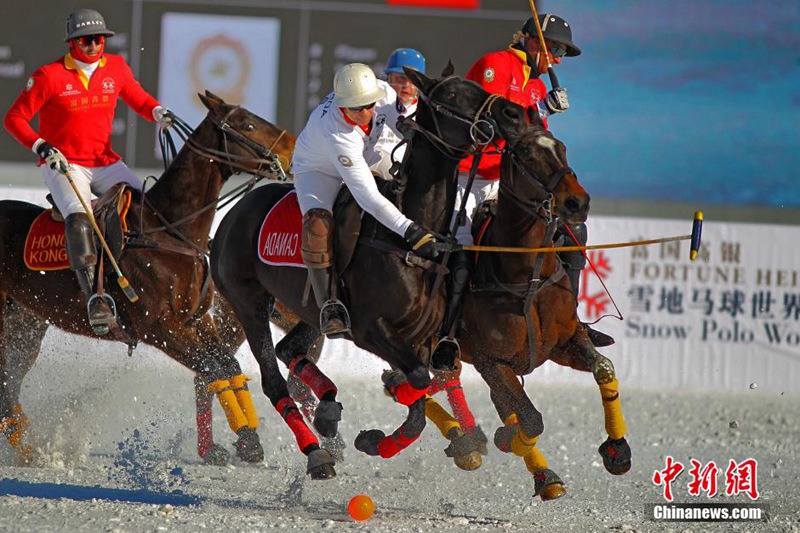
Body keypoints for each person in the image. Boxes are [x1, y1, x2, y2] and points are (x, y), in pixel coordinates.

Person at [430, 13, 612, 371]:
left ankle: (572, 320)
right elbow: (485, 122)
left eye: (561, 53)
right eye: (556, 49)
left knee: (573, 231)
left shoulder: (537, 86)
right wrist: (540, 110)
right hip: (474, 176)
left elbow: (533, 142)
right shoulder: (495, 65)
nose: (558, 59)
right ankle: (448, 334)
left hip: (511, 182)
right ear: (532, 40)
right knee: (463, 250)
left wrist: (544, 112)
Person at [3, 8, 173, 334]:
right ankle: (95, 298)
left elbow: (136, 97)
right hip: (66, 165)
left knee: (148, 210)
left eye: (98, 39)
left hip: (105, 161)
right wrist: (42, 146)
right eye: (86, 40)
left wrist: (157, 111)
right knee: (80, 219)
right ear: (73, 42)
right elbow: (14, 119)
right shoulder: (48, 76)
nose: (94, 45)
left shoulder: (116, 68)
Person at [291, 63, 444, 338]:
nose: (366, 112)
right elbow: (368, 199)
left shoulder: (383, 92)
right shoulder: (338, 134)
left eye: (370, 105)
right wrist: (412, 231)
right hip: (317, 170)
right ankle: (329, 304)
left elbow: (402, 118)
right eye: (357, 108)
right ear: (342, 107)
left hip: (366, 152)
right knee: (317, 226)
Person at [372, 47, 426, 180]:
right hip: (367, 169)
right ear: (388, 77)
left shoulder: (426, 114)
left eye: (413, 80)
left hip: (405, 181)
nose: (407, 84)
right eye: (401, 78)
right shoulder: (372, 105)